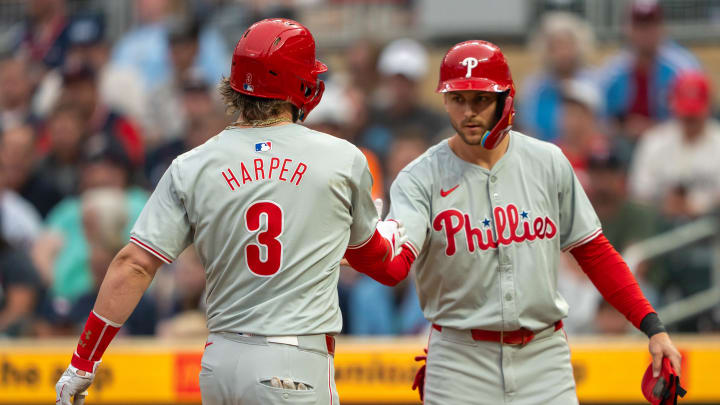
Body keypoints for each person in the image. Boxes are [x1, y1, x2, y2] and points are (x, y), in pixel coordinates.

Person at [55, 18, 407, 405]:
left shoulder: (193, 164)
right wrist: (392, 233)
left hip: (219, 362)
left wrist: (83, 360)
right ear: (300, 84)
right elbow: (381, 264)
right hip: (293, 363)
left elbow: (133, 264)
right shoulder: (340, 157)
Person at [378, 40, 681, 404]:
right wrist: (367, 246)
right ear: (444, 100)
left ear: (507, 98)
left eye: (481, 99)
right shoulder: (419, 177)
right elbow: (396, 263)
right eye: (458, 98)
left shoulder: (547, 162)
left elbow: (595, 252)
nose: (468, 112)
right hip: (459, 360)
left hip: (543, 356)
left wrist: (652, 326)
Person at [600, 0, 700, 141]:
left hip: (672, 143)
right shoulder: (612, 71)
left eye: (650, 26)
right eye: (639, 26)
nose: (645, 33)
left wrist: (654, 130)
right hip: (624, 146)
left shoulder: (683, 68)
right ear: (627, 29)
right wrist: (623, 127)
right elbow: (600, 118)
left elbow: (696, 118)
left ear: (662, 28)